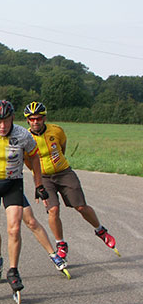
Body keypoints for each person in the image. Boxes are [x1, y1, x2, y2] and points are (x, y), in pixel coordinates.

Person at [0, 127, 69, 281]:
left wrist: (38, 184)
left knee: (30, 221)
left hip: (10, 185)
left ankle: (53, 254)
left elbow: (32, 157)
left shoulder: (15, 139)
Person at [0, 100, 48, 300]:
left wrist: (39, 185)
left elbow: (35, 158)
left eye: (6, 121)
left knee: (14, 228)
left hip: (13, 183)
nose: (2, 126)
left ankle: (13, 270)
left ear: (12, 118)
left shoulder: (23, 135)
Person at [24, 101, 119, 258]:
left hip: (63, 172)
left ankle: (100, 230)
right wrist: (38, 183)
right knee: (53, 210)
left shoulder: (57, 131)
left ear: (44, 118)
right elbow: (28, 162)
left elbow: (62, 147)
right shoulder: (26, 138)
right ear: (28, 120)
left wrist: (57, 163)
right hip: (44, 178)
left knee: (80, 206)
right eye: (32, 119)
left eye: (38, 118)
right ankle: (61, 244)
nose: (35, 122)